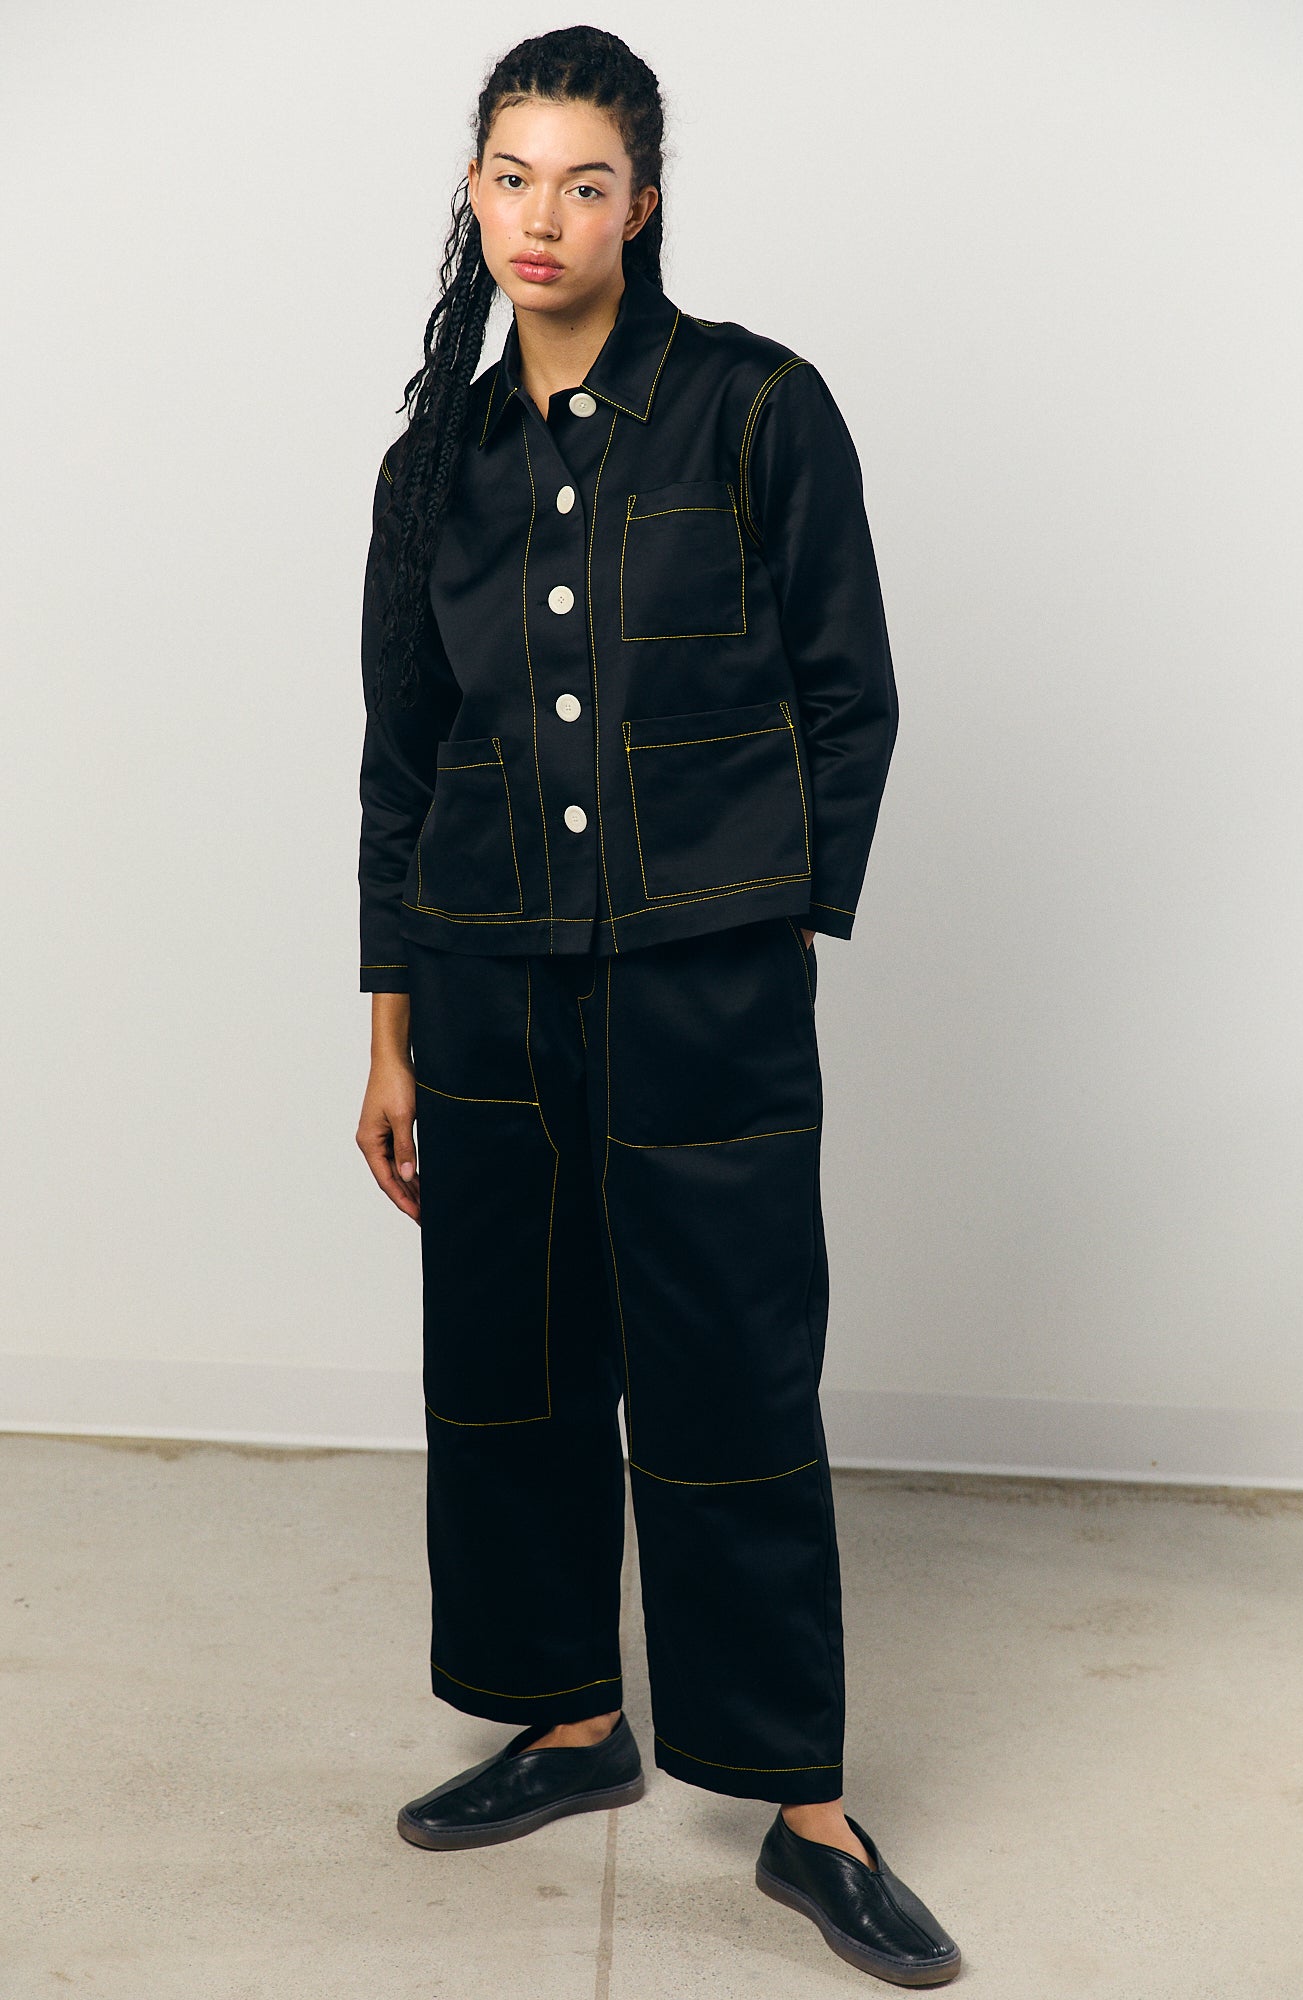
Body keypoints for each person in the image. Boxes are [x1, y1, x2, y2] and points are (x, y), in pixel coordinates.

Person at [354, 25, 961, 1988]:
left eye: (584, 182)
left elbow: (847, 691)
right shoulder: (434, 461)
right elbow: (402, 754)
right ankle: (567, 1721)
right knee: (509, 1364)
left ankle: (806, 1813)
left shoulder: (758, 409)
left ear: (643, 203)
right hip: (482, 981)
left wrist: (772, 925)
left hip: (706, 989)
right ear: (472, 191)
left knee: (731, 1380)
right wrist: (388, 1032)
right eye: (510, 175)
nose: (541, 216)